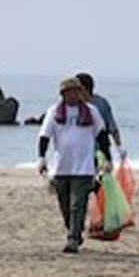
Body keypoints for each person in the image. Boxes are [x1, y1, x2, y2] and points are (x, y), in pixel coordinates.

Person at [38, 77, 113, 254]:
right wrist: (41, 158)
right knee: (64, 205)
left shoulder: (92, 112)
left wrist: (107, 159)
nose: (73, 95)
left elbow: (102, 135)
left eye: (76, 91)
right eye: (69, 92)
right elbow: (44, 137)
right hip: (61, 166)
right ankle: (75, 232)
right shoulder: (54, 112)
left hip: (84, 167)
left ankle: (72, 239)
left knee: (78, 204)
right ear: (63, 94)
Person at [75, 73, 123, 150]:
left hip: (100, 148)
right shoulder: (72, 105)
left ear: (83, 88)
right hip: (81, 149)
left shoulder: (101, 103)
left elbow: (112, 128)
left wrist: (120, 149)